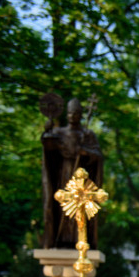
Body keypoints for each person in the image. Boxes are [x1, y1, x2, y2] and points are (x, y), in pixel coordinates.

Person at [41, 97, 104, 249]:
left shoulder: (87, 134)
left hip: (81, 175)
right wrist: (46, 132)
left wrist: (85, 152)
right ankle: (59, 238)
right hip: (64, 173)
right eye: (70, 113)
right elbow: (48, 147)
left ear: (81, 114)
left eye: (76, 113)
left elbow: (98, 156)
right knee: (62, 204)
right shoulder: (59, 132)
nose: (72, 116)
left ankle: (79, 238)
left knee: (80, 206)